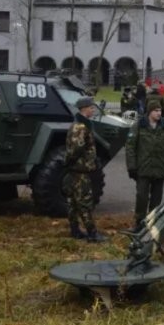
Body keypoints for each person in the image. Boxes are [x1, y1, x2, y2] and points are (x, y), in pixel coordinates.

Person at [126, 101, 164, 229]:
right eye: (156, 111)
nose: (159, 113)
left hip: (160, 168)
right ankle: (139, 221)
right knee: (141, 196)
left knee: (156, 198)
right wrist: (131, 167)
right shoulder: (139, 125)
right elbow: (130, 147)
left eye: (160, 110)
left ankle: (153, 221)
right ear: (149, 112)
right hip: (143, 168)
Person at [64, 96, 107, 242]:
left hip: (76, 169)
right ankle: (92, 233)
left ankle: (75, 230)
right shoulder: (81, 127)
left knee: (73, 202)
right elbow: (75, 149)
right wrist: (71, 161)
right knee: (84, 203)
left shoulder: (79, 125)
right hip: (80, 171)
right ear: (84, 109)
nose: (93, 110)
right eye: (91, 107)